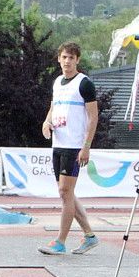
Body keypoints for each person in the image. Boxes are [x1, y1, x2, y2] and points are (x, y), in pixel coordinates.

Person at [38, 41, 99, 255]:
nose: (67, 61)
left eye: (71, 58)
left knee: (65, 192)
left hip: (74, 146)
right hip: (59, 144)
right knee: (66, 194)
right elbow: (54, 106)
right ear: (59, 59)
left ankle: (60, 241)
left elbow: (93, 117)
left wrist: (86, 147)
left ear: (77, 60)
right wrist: (47, 122)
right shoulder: (57, 82)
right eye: (64, 57)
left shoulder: (84, 83)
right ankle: (90, 236)